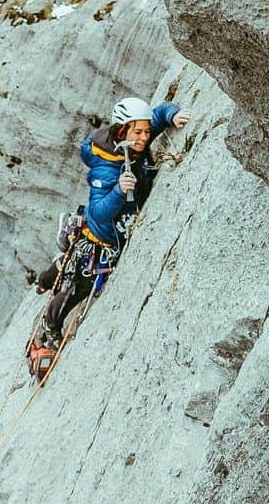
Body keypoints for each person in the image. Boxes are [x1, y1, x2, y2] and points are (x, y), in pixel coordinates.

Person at [37, 96, 191, 347]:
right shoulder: (106, 169)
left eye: (146, 132)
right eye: (139, 132)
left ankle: (45, 279)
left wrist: (172, 115)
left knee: (66, 265)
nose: (145, 136)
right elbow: (98, 211)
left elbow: (159, 114)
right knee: (79, 287)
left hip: (109, 230)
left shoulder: (133, 141)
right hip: (100, 237)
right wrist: (119, 191)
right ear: (123, 131)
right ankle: (51, 323)